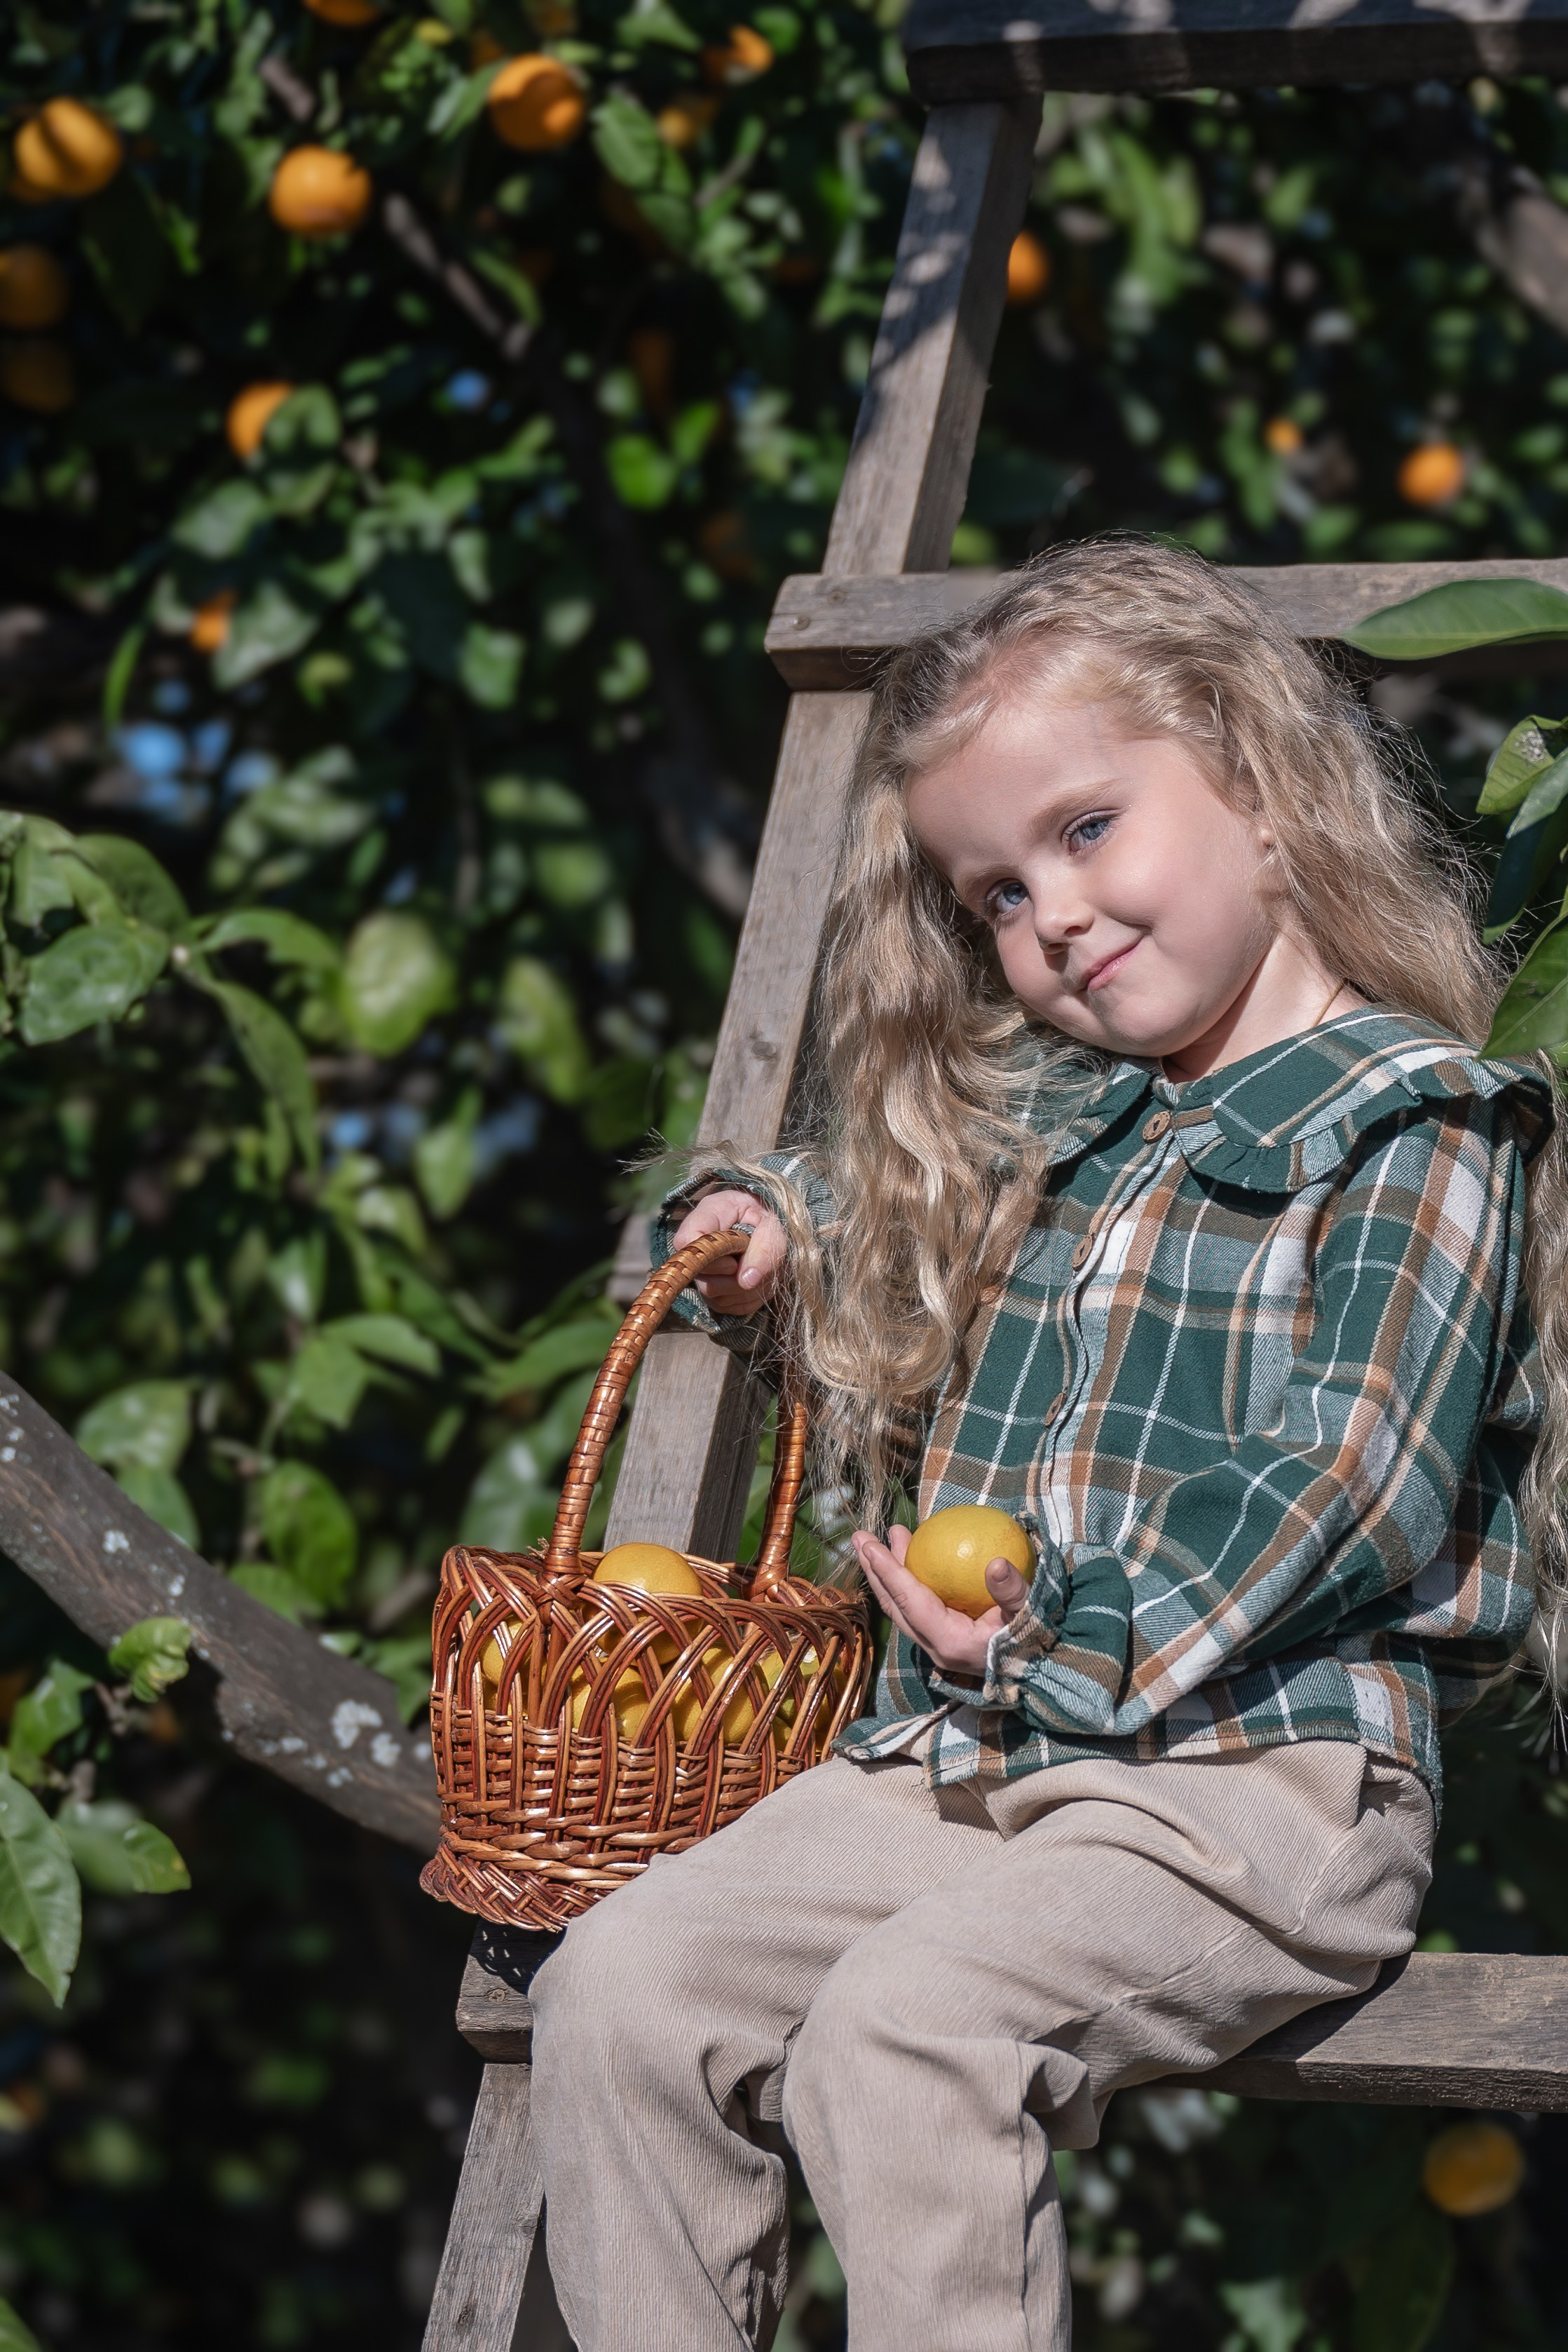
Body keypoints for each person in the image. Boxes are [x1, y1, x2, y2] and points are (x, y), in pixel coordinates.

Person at [526, 539, 1567, 2352]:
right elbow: (877, 1189)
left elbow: (1357, 1477)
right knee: (620, 1978)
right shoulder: (1069, 1122)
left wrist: (1053, 1627)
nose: (1050, 917)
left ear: (1259, 790)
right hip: (977, 1762)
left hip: (1257, 1791)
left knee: (903, 2030)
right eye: (995, 890)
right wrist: (764, 1215)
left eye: (1086, 831)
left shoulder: (1424, 1115)